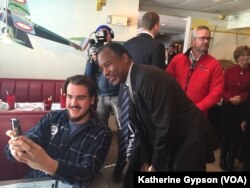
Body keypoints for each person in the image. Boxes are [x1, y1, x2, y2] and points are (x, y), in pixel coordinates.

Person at [97, 43, 216, 188]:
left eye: (107, 65)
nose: (105, 73)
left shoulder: (148, 77)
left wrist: (156, 167)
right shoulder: (130, 80)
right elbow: (142, 125)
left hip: (187, 142)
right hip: (169, 139)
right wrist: (146, 159)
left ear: (124, 58)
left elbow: (165, 126)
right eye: (102, 68)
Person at [5, 75, 112, 188]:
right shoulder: (53, 117)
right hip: (38, 181)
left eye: (80, 98)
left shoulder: (102, 133)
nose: (73, 103)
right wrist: (17, 147)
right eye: (70, 97)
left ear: (92, 100)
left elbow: (86, 175)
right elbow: (32, 137)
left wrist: (48, 164)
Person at [85, 24, 121, 180]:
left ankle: (121, 161)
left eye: (104, 33)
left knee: (123, 129)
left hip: (118, 94)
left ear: (110, 35)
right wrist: (91, 60)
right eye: (99, 33)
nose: (101, 35)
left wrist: (107, 50)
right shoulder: (95, 50)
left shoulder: (117, 50)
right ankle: (98, 161)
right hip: (101, 96)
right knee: (99, 129)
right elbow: (88, 75)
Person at [166, 25, 224, 116]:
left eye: (208, 38)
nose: (206, 41)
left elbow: (216, 92)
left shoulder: (214, 64)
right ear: (193, 41)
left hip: (197, 114)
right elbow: (166, 82)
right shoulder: (177, 60)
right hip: (174, 110)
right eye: (202, 38)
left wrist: (197, 108)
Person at [219, 45, 250, 171]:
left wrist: (242, 97)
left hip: (243, 108)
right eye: (243, 55)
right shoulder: (230, 71)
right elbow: (222, 88)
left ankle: (231, 160)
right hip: (228, 107)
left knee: (236, 136)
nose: (246, 57)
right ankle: (222, 158)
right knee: (225, 134)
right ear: (237, 58)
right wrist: (229, 98)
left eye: (247, 55)